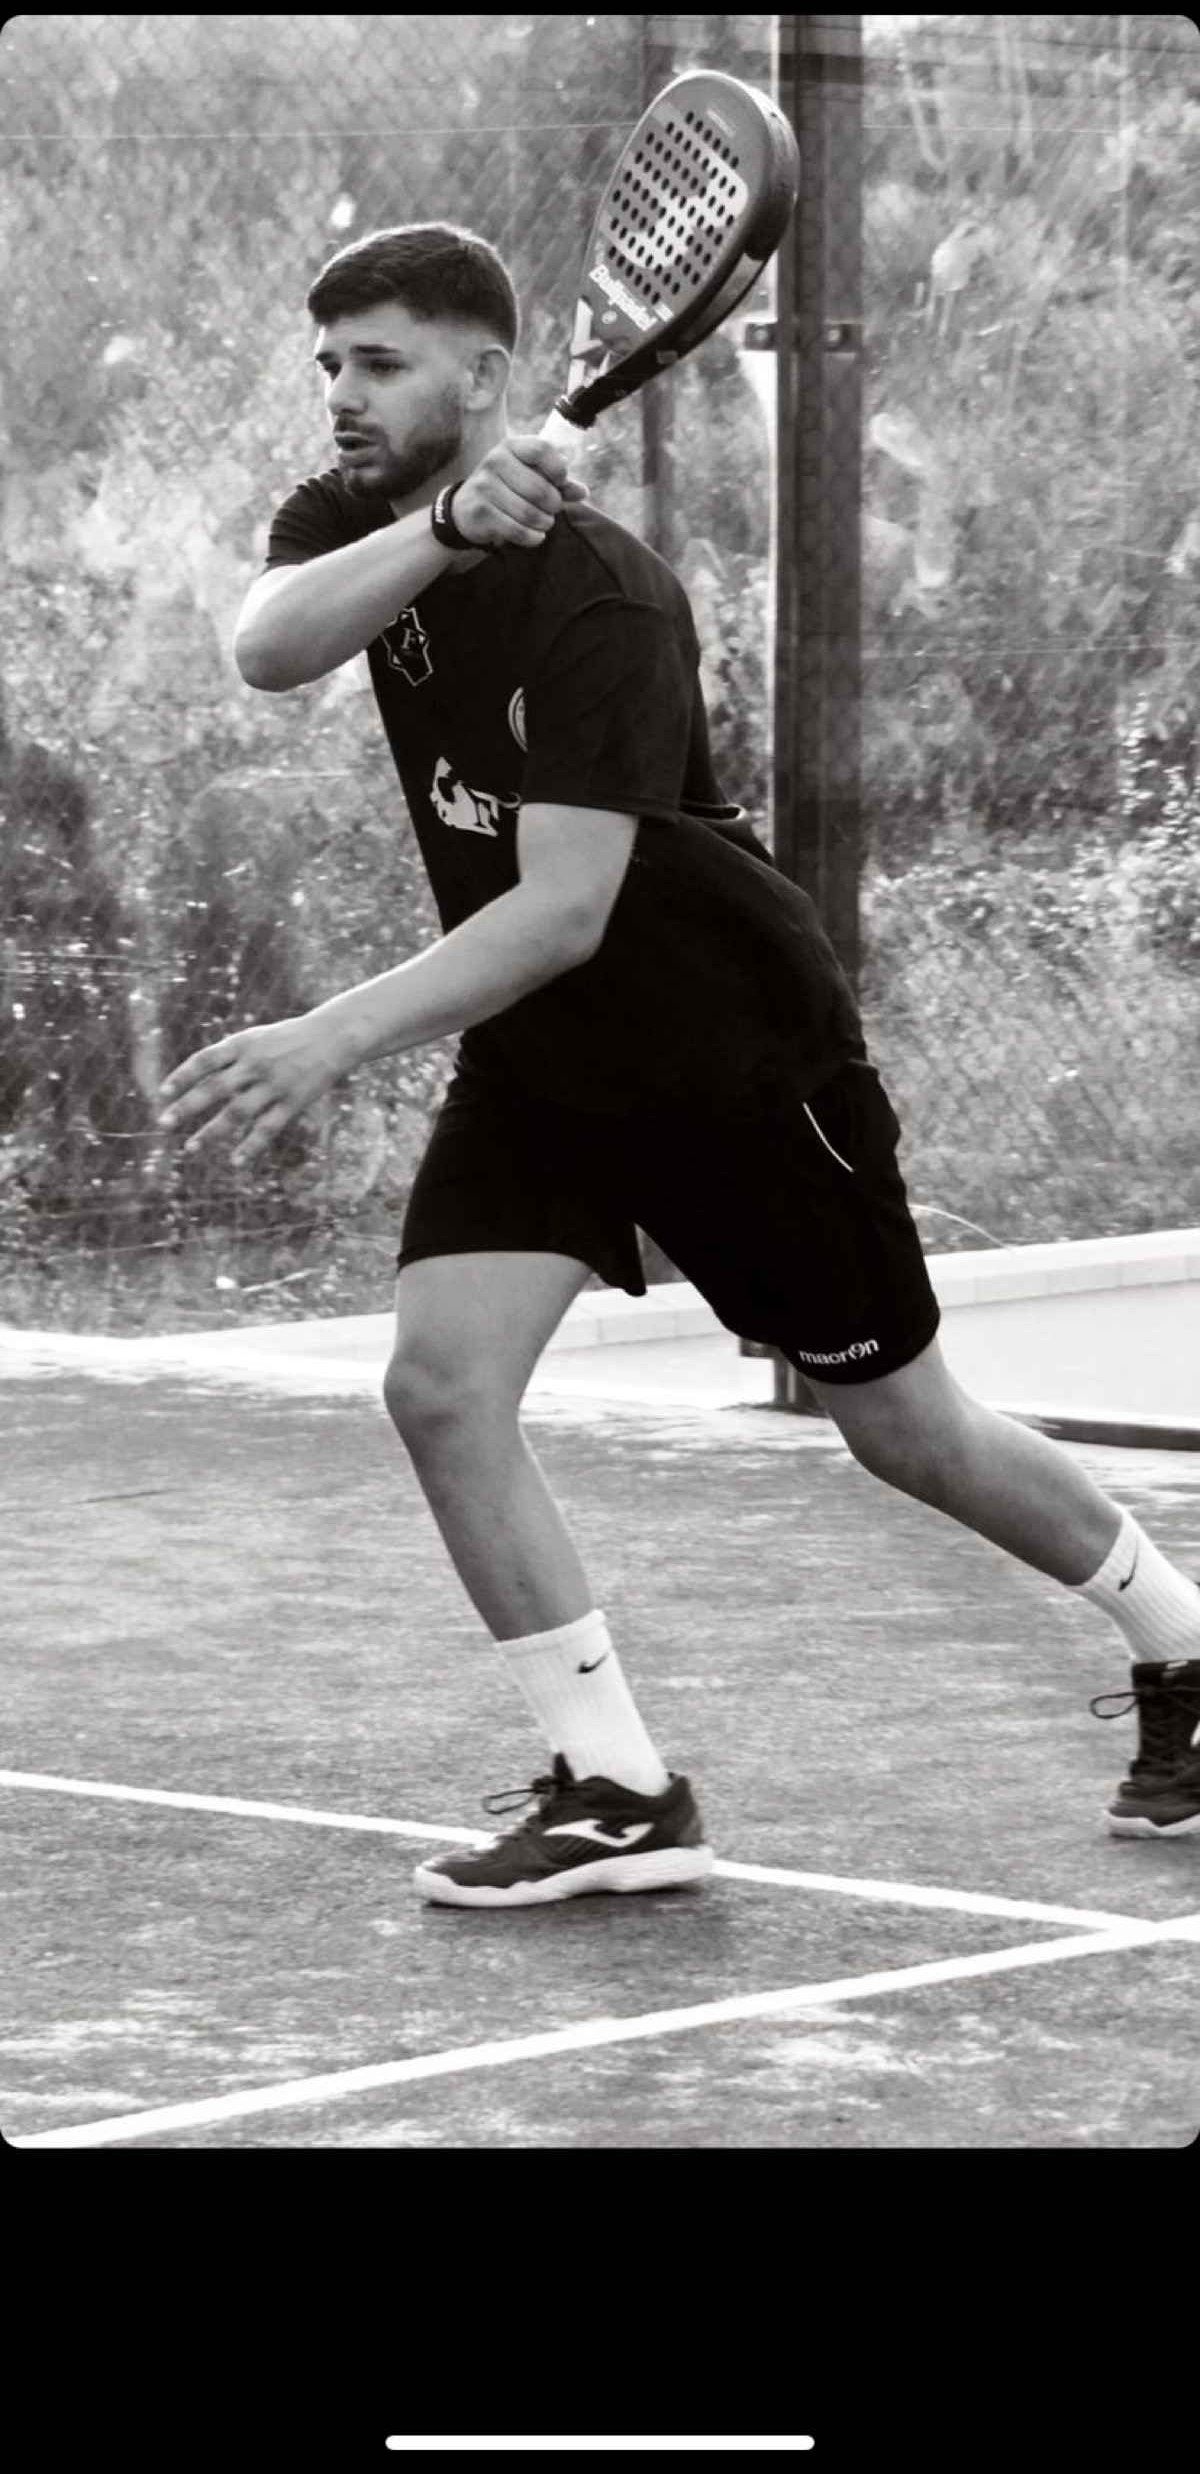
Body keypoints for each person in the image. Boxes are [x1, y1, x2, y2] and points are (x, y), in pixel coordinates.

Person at [159, 222, 1200, 1904]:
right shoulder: (357, 517)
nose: (344, 394)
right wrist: (442, 526)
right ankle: (620, 1787)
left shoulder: (607, 595)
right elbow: (268, 645)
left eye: (384, 364)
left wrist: (332, 1035)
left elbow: (563, 910)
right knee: (440, 1386)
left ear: (488, 377)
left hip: (731, 1055)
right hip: (545, 1066)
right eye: (332, 364)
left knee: (906, 1427)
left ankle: (1185, 1641)